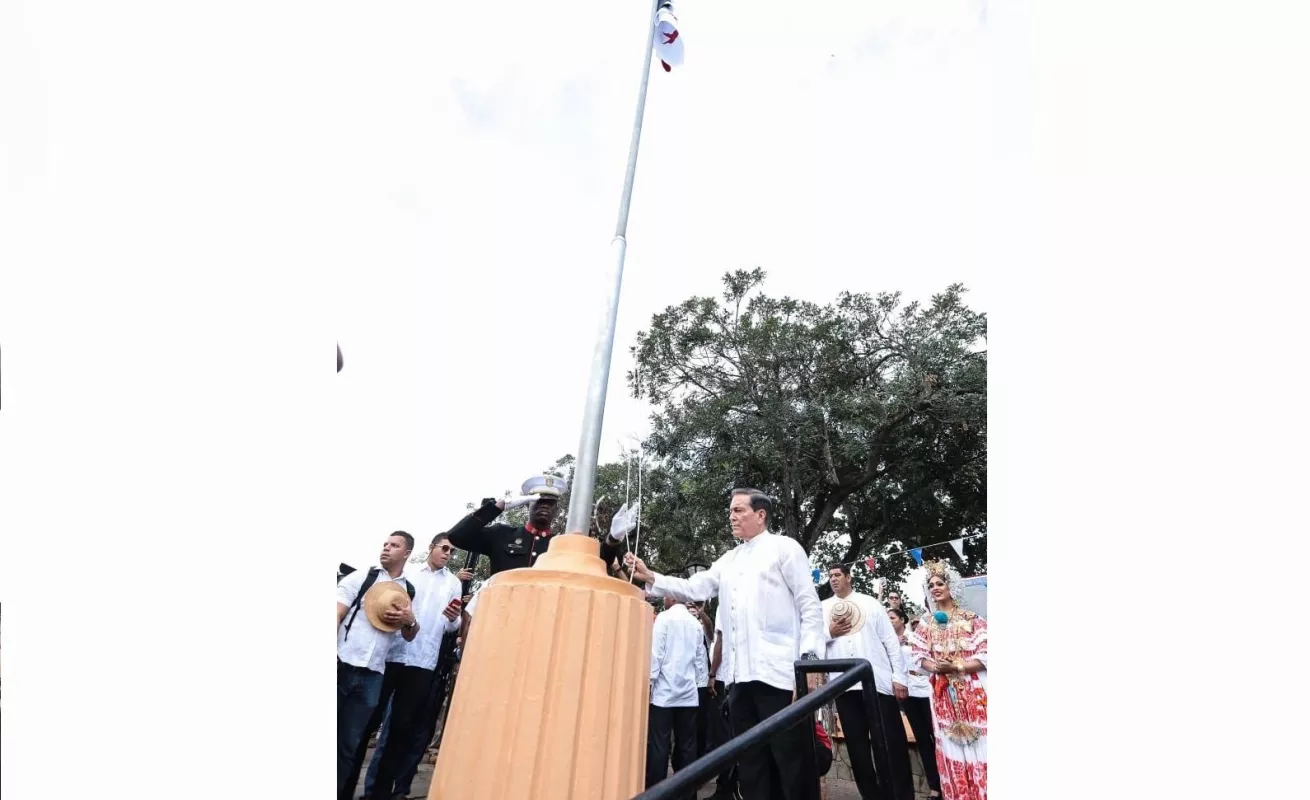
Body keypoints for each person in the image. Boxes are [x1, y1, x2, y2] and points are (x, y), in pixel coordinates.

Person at [625, 488, 824, 800]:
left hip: (780, 676)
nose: (732, 516)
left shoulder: (784, 548)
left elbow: (809, 605)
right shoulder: (728, 560)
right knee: (751, 761)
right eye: (730, 510)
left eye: (739, 510)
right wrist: (651, 575)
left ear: (761, 515)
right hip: (739, 680)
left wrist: (810, 662)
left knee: (791, 760)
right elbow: (694, 586)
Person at [364, 532, 468, 800]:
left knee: (402, 729)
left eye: (452, 551)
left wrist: (454, 619)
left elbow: (450, 627)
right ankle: (368, 788)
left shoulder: (454, 584)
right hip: (393, 654)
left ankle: (383, 793)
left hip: (424, 662)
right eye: (444, 548)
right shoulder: (408, 574)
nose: (448, 554)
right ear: (431, 548)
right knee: (373, 723)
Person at [336, 532, 419, 800]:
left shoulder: (408, 591)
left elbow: (409, 635)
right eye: (385, 544)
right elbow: (335, 614)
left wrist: (410, 619)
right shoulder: (361, 577)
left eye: (394, 545)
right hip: (342, 664)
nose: (386, 548)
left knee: (349, 747)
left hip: (373, 675)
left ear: (406, 553)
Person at [822, 563, 912, 800]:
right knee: (857, 747)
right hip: (844, 687)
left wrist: (899, 677)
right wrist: (829, 632)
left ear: (848, 577)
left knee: (891, 743)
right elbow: (811, 644)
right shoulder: (822, 609)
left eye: (837, 575)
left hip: (878, 683)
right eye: (830, 576)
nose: (833, 579)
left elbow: (891, 642)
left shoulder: (871, 603)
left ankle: (901, 795)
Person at [907, 561, 988, 800]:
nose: (935, 588)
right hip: (943, 694)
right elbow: (918, 655)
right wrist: (935, 668)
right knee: (950, 743)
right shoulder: (925, 623)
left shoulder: (972, 618)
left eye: (940, 583)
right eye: (931, 585)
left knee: (982, 742)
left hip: (973, 692)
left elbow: (986, 654)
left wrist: (955, 666)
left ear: (951, 586)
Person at [646, 597, 709, 797]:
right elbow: (701, 660)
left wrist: (649, 683)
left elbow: (656, 655)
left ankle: (657, 792)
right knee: (687, 747)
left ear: (672, 598)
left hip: (663, 694)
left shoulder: (663, 619)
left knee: (660, 745)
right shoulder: (695, 624)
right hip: (689, 695)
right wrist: (702, 687)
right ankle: (688, 793)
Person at [889, 607, 941, 800]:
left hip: (926, 690)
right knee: (922, 741)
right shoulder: (888, 642)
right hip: (907, 693)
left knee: (937, 738)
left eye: (893, 618)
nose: (890, 621)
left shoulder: (917, 635)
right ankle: (934, 787)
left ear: (903, 619)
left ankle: (948, 781)